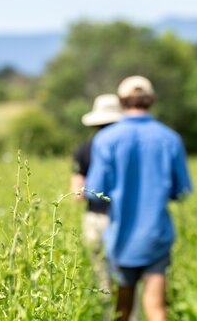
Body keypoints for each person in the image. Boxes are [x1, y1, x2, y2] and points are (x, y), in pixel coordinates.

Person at [86, 76, 192, 321]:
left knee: (123, 309)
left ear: (122, 102)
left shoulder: (106, 139)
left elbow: (95, 191)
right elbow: (181, 190)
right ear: (152, 101)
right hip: (157, 235)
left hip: (120, 237)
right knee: (156, 307)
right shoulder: (170, 138)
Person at [71, 94, 122, 289]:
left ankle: (108, 311)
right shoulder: (125, 148)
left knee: (101, 273)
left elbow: (77, 193)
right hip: (121, 216)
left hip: (94, 216)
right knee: (123, 273)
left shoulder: (83, 149)